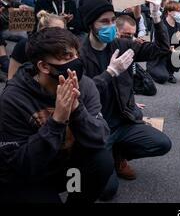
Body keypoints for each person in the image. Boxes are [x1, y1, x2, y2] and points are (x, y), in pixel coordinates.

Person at [0, 27, 113, 203]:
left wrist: (77, 109)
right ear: (44, 66)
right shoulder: (13, 99)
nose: (75, 63)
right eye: (67, 57)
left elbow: (100, 137)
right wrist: (57, 121)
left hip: (66, 171)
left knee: (102, 163)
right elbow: (19, 163)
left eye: (76, 56)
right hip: (32, 175)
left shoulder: (85, 85)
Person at [78, 0, 171, 198]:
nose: (111, 25)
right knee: (107, 191)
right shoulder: (79, 54)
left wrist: (156, 16)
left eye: (112, 20)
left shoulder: (121, 44)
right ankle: (102, 157)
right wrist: (110, 73)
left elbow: (162, 49)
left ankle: (118, 154)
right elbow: (81, 94)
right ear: (90, 24)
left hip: (123, 121)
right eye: (104, 21)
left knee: (162, 143)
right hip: (97, 129)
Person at [8, 10, 66, 79]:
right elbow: (11, 78)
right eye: (56, 30)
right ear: (43, 30)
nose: (61, 35)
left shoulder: (64, 49)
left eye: (63, 31)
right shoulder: (24, 45)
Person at [115, 14, 157, 97]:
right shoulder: (109, 45)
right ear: (116, 31)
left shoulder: (132, 43)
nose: (130, 37)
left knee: (149, 87)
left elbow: (160, 48)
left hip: (129, 63)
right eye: (127, 34)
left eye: (132, 35)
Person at [146, 0, 180, 84]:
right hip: (158, 57)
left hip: (169, 55)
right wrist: (172, 43)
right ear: (169, 12)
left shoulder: (179, 27)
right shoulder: (160, 25)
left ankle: (170, 72)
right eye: (177, 11)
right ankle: (151, 70)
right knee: (162, 77)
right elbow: (155, 44)